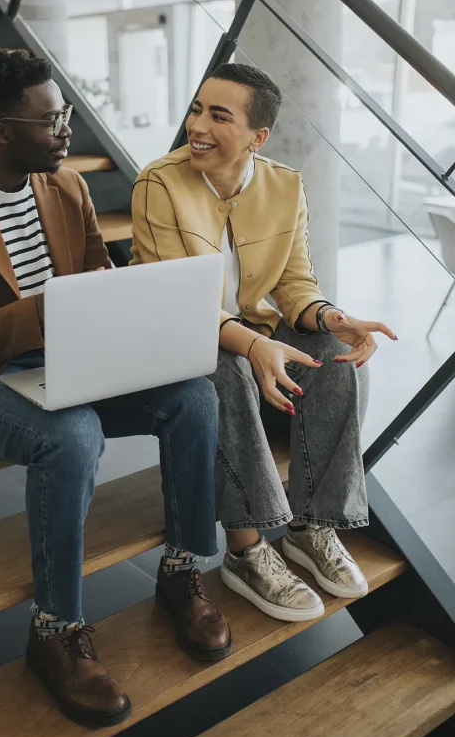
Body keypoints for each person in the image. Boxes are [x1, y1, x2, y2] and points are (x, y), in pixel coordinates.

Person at [0, 49, 230, 729]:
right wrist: (39, 313)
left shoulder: (67, 187)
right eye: (51, 120)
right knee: (73, 434)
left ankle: (181, 568)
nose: (66, 129)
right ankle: (55, 630)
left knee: (195, 397)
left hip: (75, 359)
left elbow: (96, 278)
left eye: (66, 114)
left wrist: (127, 309)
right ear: (1, 132)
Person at [130, 62, 397, 624]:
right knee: (224, 369)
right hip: (176, 339)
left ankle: (310, 528)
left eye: (218, 115)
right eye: (197, 109)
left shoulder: (285, 184)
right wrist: (252, 346)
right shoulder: (159, 182)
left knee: (338, 360)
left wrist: (333, 318)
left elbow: (296, 283)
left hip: (254, 332)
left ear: (258, 136)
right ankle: (247, 550)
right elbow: (177, 303)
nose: (197, 125)